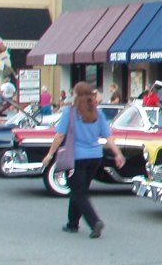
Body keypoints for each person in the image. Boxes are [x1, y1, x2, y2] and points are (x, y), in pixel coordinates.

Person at [41, 81, 126, 239]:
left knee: (79, 192)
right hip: (95, 157)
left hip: (76, 158)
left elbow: (59, 135)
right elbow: (107, 136)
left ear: (76, 95)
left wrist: (50, 154)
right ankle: (72, 224)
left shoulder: (70, 112)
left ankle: (95, 222)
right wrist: (118, 153)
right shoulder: (97, 113)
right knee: (79, 190)